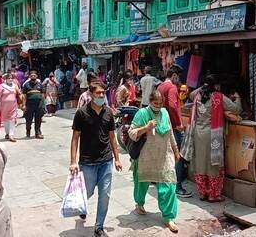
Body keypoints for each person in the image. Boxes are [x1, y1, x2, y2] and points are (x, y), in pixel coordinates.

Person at [70, 82, 123, 237]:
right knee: (88, 191)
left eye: (103, 93)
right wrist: (73, 161)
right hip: (87, 162)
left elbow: (112, 137)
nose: (101, 95)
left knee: (105, 194)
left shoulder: (108, 112)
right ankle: (82, 206)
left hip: (106, 160)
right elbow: (75, 139)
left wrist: (117, 158)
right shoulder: (81, 113)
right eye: (98, 93)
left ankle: (99, 227)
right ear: (91, 94)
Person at [182, 75, 242, 203]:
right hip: (213, 134)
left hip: (198, 133)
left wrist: (202, 87)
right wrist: (237, 99)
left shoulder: (198, 96)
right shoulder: (218, 97)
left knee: (201, 163)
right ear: (216, 85)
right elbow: (236, 109)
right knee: (213, 164)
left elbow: (191, 94)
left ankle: (203, 193)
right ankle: (213, 195)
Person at [128, 90, 180, 233]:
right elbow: (131, 133)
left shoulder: (165, 113)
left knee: (169, 186)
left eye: (160, 103)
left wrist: (176, 151)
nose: (158, 106)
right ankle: (139, 203)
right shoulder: (142, 113)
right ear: (150, 101)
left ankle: (169, 217)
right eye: (155, 103)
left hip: (164, 157)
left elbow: (170, 133)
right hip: (146, 157)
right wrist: (146, 128)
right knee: (142, 183)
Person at [158, 66, 192, 198]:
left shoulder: (161, 86)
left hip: (163, 126)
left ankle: (165, 182)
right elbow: (172, 105)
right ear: (174, 75)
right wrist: (178, 124)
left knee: (167, 156)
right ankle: (177, 186)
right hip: (172, 127)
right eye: (178, 76)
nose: (179, 79)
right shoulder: (171, 87)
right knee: (178, 157)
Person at [0, 74, 22, 142]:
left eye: (11, 78)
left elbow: (19, 92)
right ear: (6, 79)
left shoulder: (14, 85)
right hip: (4, 106)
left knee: (12, 119)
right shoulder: (2, 86)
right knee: (6, 120)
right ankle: (7, 133)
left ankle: (11, 134)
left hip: (13, 105)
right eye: (9, 78)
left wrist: (20, 94)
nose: (10, 79)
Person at [23, 70, 45, 139]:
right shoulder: (26, 85)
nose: (33, 76)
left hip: (38, 104)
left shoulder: (40, 84)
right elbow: (24, 96)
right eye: (31, 75)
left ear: (36, 76)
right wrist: (24, 105)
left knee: (38, 119)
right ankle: (28, 131)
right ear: (29, 76)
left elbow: (43, 94)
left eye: (34, 75)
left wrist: (43, 104)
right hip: (29, 105)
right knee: (28, 119)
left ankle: (37, 133)